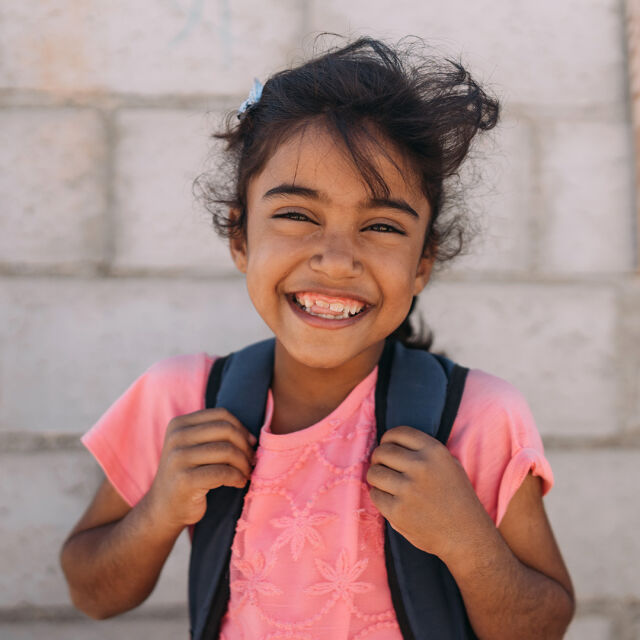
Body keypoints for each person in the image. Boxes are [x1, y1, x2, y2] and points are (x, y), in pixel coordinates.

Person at [60, 37, 575, 639]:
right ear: (240, 238)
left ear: (422, 264)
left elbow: (544, 625)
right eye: (297, 215)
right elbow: (91, 592)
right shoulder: (184, 399)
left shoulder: (477, 418)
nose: (335, 261)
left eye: (381, 225)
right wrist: (159, 511)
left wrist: (467, 541)